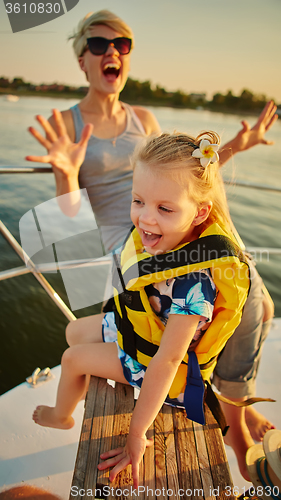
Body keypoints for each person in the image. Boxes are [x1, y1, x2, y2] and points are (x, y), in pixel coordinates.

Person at [26, 9, 276, 480]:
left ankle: (236, 417)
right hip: (138, 247)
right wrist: (65, 173)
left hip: (181, 232)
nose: (112, 52)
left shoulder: (143, 117)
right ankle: (234, 406)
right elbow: (69, 227)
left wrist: (238, 146)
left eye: (123, 44)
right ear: (82, 58)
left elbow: (182, 175)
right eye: (99, 45)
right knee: (232, 309)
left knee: (254, 305)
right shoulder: (66, 122)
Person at [32, 130, 251, 487]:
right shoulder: (161, 241)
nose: (146, 219)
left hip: (158, 367)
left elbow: (166, 362)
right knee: (73, 332)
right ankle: (85, 380)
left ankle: (61, 416)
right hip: (140, 330)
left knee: (72, 359)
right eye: (139, 201)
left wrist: (136, 434)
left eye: (164, 208)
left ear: (200, 213)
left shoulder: (193, 285)